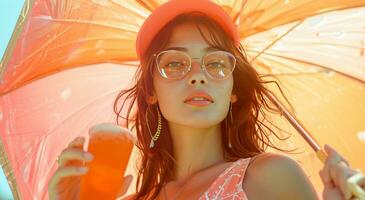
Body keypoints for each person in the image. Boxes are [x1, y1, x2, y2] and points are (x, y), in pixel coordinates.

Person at [48, 0, 365, 199]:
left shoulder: (270, 175)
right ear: (151, 91)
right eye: (174, 63)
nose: (198, 75)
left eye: (215, 64)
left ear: (233, 88)